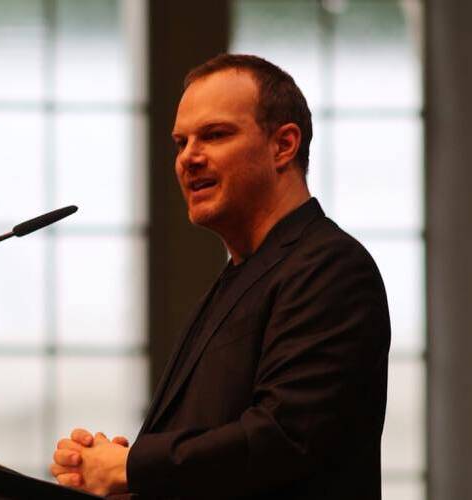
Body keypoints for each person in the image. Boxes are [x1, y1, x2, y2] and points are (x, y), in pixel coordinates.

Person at [51, 54, 390, 500]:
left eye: (214, 135)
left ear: (283, 145)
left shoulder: (330, 267)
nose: (188, 158)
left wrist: (133, 468)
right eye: (180, 142)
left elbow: (283, 437)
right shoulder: (242, 274)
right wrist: (124, 479)